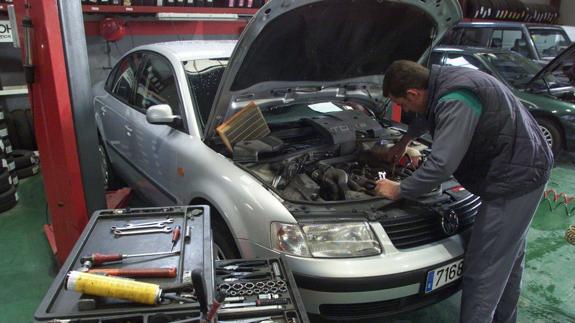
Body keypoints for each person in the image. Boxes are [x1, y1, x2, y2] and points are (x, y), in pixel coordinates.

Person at [375, 60, 553, 323]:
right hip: (524, 165)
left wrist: (399, 189)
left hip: (514, 178)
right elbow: (428, 113)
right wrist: (404, 141)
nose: (403, 109)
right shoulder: (444, 81)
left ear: (413, 93)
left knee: (483, 271)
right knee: (508, 260)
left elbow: (442, 164)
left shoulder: (455, 99)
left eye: (401, 103)